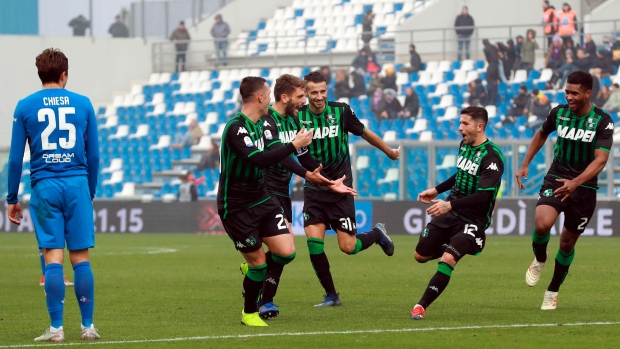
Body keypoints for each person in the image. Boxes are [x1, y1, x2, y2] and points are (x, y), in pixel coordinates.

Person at [7, 48, 100, 341]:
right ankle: (87, 327)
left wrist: (11, 197)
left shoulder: (25, 106)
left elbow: (14, 159)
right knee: (81, 257)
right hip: (76, 185)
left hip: (45, 187)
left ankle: (57, 329)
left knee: (53, 258)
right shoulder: (83, 104)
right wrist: (90, 189)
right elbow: (94, 155)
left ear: (40, 74)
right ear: (64, 74)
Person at [246, 74, 356, 319]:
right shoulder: (267, 121)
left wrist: (326, 181)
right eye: (300, 96)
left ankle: (257, 275)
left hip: (282, 191)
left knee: (282, 250)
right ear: (284, 97)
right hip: (263, 190)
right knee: (286, 249)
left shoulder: (294, 120)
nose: (303, 101)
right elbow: (280, 155)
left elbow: (303, 155)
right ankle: (265, 301)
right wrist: (307, 173)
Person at [216, 76, 313, 327]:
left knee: (287, 251)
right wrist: (294, 144)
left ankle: (251, 272)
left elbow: (275, 153)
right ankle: (249, 313)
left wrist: (308, 171)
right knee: (259, 263)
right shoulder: (236, 127)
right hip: (236, 205)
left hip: (262, 197)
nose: (270, 98)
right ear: (259, 97)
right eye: (268, 94)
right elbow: (260, 160)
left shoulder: (261, 125)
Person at [298, 71, 400, 307]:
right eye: (314, 92)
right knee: (314, 243)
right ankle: (331, 295)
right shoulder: (298, 116)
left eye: (323, 91)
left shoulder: (341, 111)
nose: (319, 96)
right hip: (314, 189)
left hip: (341, 188)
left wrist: (388, 151)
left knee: (348, 247)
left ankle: (377, 234)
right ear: (305, 93)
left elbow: (364, 132)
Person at [516, 71, 614, 310]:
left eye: (574, 93)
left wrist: (577, 182)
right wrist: (525, 163)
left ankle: (552, 290)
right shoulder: (558, 113)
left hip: (584, 188)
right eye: (567, 92)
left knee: (567, 244)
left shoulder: (602, 121)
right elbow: (541, 134)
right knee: (542, 224)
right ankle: (540, 258)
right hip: (557, 178)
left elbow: (600, 160)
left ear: (587, 94)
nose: (569, 97)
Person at [410, 106, 504, 320]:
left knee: (447, 259)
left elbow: (484, 196)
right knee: (420, 255)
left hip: (473, 221)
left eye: (465, 124)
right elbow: (460, 173)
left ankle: (421, 306)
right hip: (450, 213)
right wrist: (437, 190)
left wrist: (449, 205)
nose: (460, 128)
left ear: (480, 127)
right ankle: (455, 249)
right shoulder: (464, 145)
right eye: (460, 123)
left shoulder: (492, 157)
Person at [483, 39, 500, 106]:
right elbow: (495, 72)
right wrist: (497, 78)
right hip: (493, 80)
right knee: (493, 92)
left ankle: (488, 103)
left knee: (490, 91)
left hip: (490, 80)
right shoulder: (493, 47)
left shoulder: (485, 49)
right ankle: (492, 103)